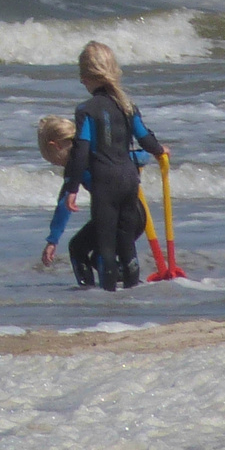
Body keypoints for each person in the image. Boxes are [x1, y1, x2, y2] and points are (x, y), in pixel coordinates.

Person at [61, 41, 166, 291]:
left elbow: (82, 150)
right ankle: (132, 293)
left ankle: (110, 303)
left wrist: (72, 187)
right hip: (130, 180)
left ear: (87, 76)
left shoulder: (86, 110)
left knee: (106, 246)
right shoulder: (128, 106)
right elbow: (144, 136)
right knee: (126, 244)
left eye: (81, 76)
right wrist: (161, 150)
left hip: (105, 183)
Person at [37, 115, 148, 288]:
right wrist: (155, 153)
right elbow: (140, 156)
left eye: (52, 159)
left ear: (55, 146)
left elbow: (64, 205)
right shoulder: (102, 151)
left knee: (79, 249)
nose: (56, 164)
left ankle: (88, 292)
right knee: (101, 256)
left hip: (112, 217)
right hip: (137, 214)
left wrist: (53, 240)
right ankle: (132, 286)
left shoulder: (74, 165)